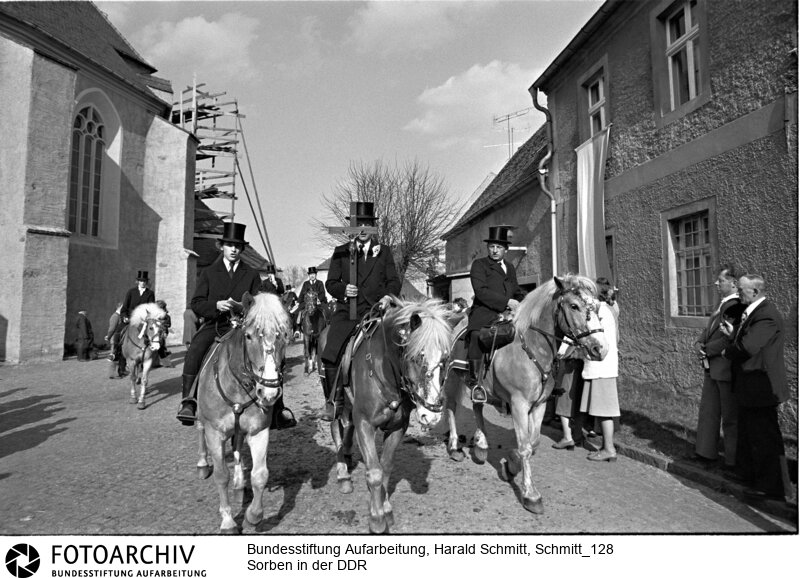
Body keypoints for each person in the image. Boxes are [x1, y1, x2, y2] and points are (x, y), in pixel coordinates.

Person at [177, 223, 296, 429]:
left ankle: (278, 408)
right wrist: (216, 305)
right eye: (230, 245)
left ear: (241, 249)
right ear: (221, 246)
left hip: (244, 328)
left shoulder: (250, 273)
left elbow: (259, 304)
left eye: (238, 246)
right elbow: (196, 303)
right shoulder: (209, 272)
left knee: (272, 353)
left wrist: (245, 306)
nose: (233, 250)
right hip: (217, 324)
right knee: (195, 349)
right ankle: (189, 401)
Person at [320, 201, 401, 421]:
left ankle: (405, 395)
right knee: (331, 350)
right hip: (349, 311)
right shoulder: (341, 252)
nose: (362, 230)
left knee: (401, 344)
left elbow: (394, 281)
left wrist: (387, 297)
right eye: (358, 225)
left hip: (377, 311)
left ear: (373, 227)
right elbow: (331, 283)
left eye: (367, 225)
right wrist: (344, 289)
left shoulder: (384, 252)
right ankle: (334, 401)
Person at [721, 274, 789, 501]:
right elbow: (747, 340)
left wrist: (727, 351)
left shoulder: (766, 315)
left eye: (741, 290)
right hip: (750, 385)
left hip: (762, 387)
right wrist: (734, 335)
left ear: (755, 291)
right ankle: (750, 476)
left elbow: (748, 347)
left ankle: (772, 487)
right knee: (750, 433)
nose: (738, 293)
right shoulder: (754, 313)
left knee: (764, 437)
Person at [465, 226, 525, 403]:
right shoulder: (479, 265)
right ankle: (475, 383)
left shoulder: (510, 267)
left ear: (506, 249)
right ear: (488, 248)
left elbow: (516, 290)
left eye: (499, 247)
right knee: (476, 335)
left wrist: (527, 301)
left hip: (507, 314)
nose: (495, 250)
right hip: (484, 312)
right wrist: (507, 302)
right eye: (492, 246)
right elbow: (481, 291)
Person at [691, 265, 742, 469]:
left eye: (720, 280)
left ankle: (732, 460)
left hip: (724, 367)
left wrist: (707, 349)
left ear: (733, 283)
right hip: (712, 367)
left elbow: (728, 337)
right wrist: (699, 342)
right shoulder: (722, 304)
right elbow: (710, 329)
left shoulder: (735, 305)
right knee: (708, 411)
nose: (716, 283)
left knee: (729, 417)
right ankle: (705, 452)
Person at [580, 279, 620, 462]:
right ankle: (606, 447)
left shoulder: (600, 311)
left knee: (604, 410)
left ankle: (609, 449)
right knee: (601, 410)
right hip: (603, 366)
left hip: (602, 367)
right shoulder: (606, 310)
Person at [105, 303, 127, 378]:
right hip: (114, 339)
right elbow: (112, 329)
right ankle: (112, 374)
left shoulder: (120, 316)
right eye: (123, 307)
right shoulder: (115, 316)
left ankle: (120, 371)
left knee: (120, 356)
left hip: (119, 340)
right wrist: (108, 336)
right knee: (113, 356)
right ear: (119, 307)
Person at [155, 300, 172, 368]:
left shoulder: (166, 316)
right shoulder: (155, 315)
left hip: (162, 333)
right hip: (155, 333)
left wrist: (162, 325)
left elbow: (168, 325)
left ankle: (166, 363)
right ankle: (156, 362)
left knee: (160, 348)